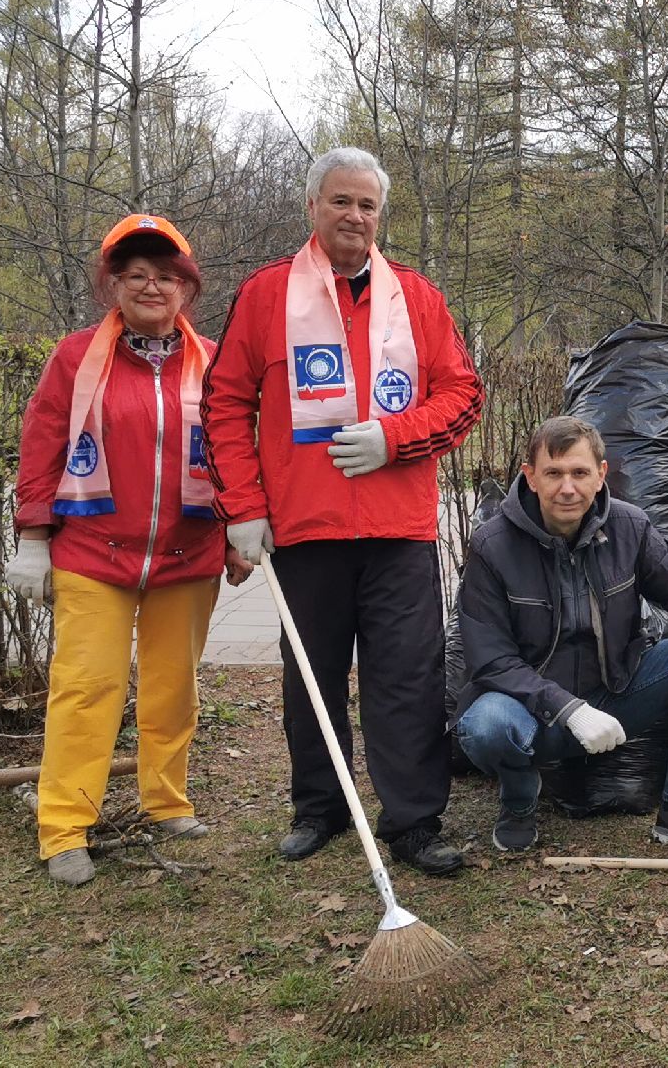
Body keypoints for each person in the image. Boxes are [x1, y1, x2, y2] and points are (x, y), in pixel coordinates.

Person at [205, 147, 485, 877]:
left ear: (379, 215)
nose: (354, 216)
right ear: (312, 208)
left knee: (406, 679)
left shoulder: (417, 298)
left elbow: (462, 396)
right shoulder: (266, 295)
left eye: (366, 205)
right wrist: (243, 507)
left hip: (399, 530)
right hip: (304, 528)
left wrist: (394, 436)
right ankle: (320, 808)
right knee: (311, 675)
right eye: (340, 202)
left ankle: (414, 820)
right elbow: (227, 404)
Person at [9, 213, 250, 886]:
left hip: (187, 554)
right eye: (137, 274)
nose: (152, 286)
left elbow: (233, 452)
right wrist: (33, 536)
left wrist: (239, 529)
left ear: (187, 287)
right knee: (87, 690)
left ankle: (164, 801)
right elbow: (42, 446)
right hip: (92, 552)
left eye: (166, 276)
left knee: (174, 690)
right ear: (114, 284)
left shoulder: (214, 363)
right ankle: (64, 827)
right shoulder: (75, 358)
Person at [454, 416, 668, 857]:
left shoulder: (629, 528)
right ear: (529, 476)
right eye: (553, 474)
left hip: (617, 694)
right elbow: (490, 659)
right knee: (485, 726)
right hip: (532, 711)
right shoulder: (493, 545)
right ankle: (518, 800)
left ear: (601, 475)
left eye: (579, 473)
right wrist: (567, 709)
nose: (567, 488)